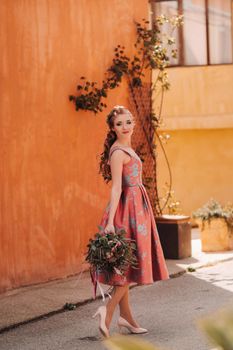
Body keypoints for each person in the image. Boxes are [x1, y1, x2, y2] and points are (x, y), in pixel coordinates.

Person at [92, 105, 169, 338]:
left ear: (133, 123)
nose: (125, 127)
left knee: (128, 265)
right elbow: (116, 188)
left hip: (138, 208)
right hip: (127, 212)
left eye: (128, 122)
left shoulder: (126, 148)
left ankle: (127, 319)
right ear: (112, 128)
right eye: (119, 124)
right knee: (128, 265)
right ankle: (107, 310)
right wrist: (110, 222)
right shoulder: (117, 153)